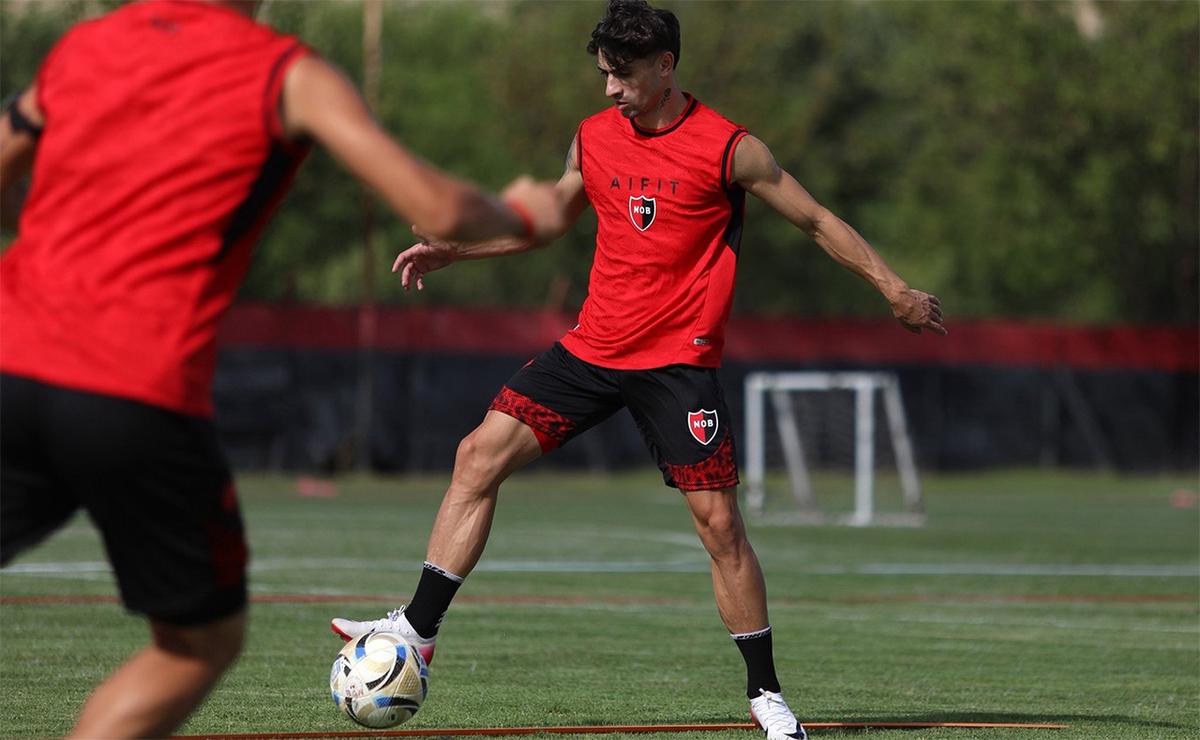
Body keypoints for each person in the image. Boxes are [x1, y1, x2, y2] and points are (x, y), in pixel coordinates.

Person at [331, 1, 945, 738]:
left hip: (677, 366)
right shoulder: (593, 138)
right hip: (592, 349)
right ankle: (417, 634)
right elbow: (550, 219)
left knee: (720, 527)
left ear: (665, 67)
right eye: (603, 75)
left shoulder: (729, 148)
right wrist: (456, 251)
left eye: (622, 75)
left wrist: (894, 289)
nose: (610, 90)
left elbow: (816, 221)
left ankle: (767, 695)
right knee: (477, 455)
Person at [0, 1, 564, 737]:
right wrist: (523, 212)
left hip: (11, 359)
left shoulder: (83, 46)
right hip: (132, 389)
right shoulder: (287, 74)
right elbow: (438, 208)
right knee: (197, 644)